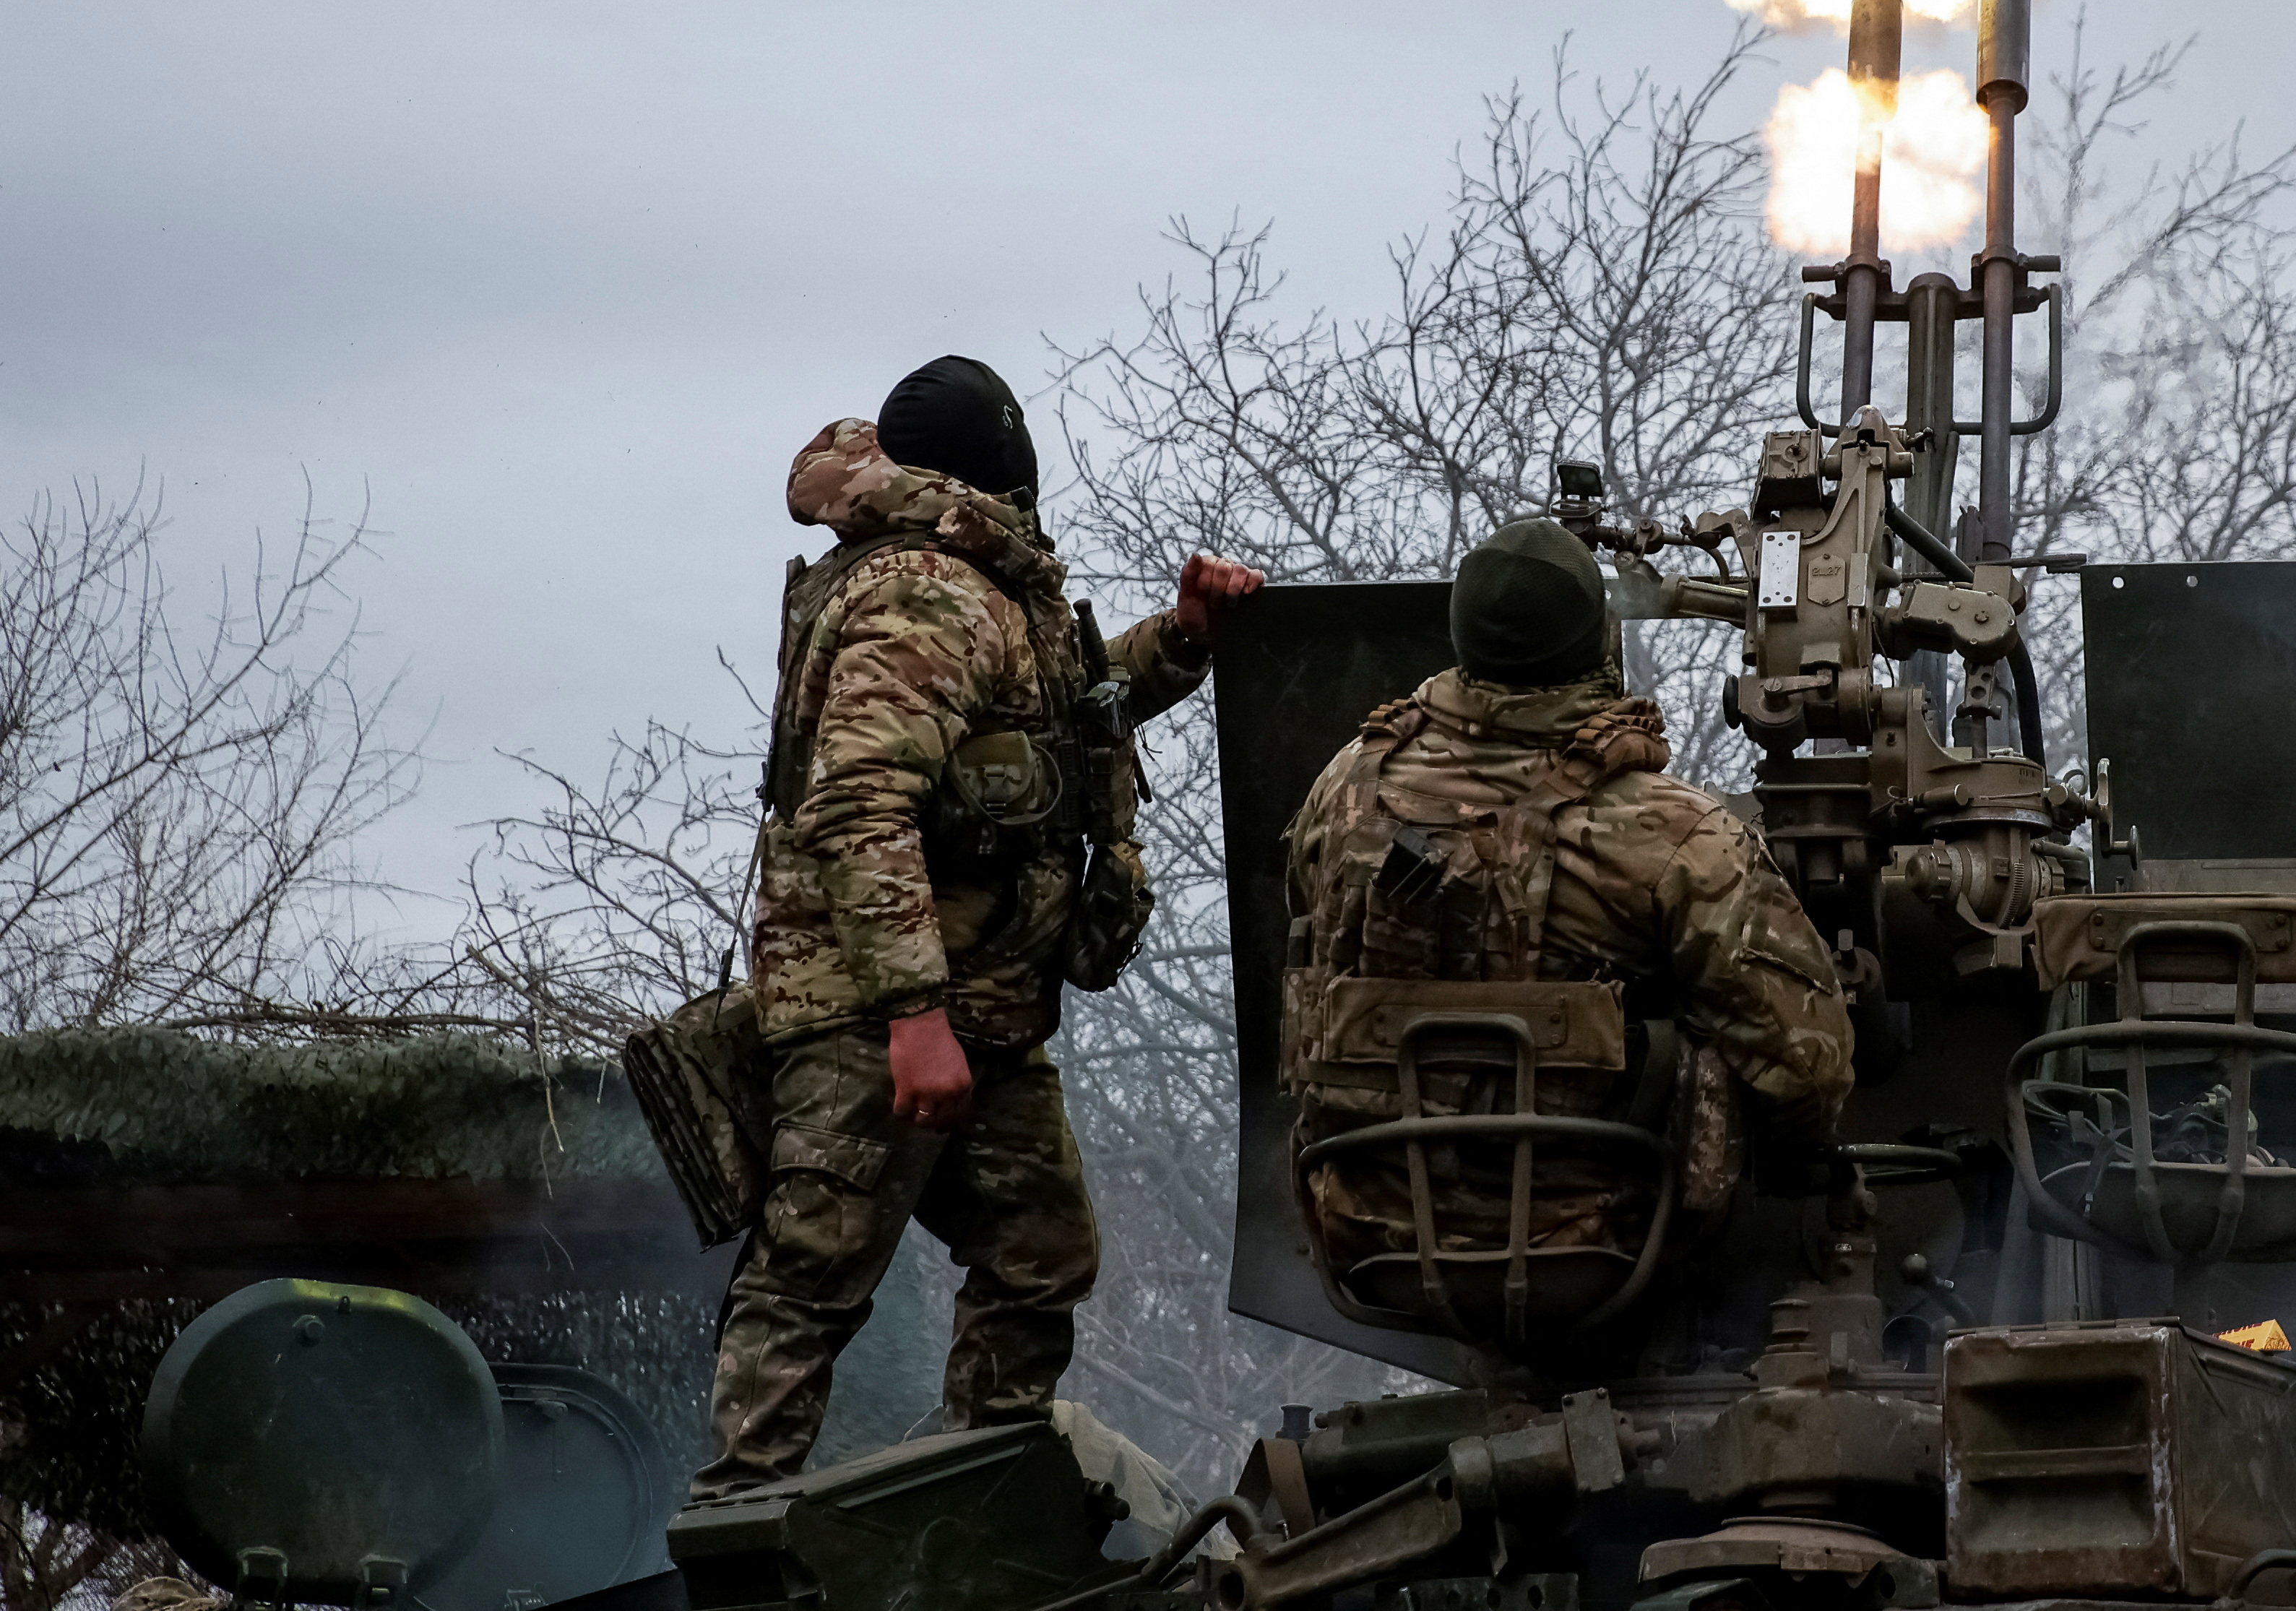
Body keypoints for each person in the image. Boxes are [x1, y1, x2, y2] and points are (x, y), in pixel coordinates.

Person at [694, 354, 1262, 1500]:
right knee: (812, 1275)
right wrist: (913, 1016)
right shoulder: (928, 590)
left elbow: (1056, 714)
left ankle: (973, 1513)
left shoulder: (976, 580)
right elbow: (861, 800)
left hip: (980, 1007)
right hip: (882, 1013)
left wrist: (1183, 635)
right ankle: (735, 1532)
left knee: (1040, 1251)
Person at [1279, 515, 1852, 1334]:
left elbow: (1304, 920)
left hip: (1365, 1240)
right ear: (1596, 642)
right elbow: (1808, 1068)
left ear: (1462, 637)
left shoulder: (1346, 784)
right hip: (1598, 1252)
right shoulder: (1676, 832)